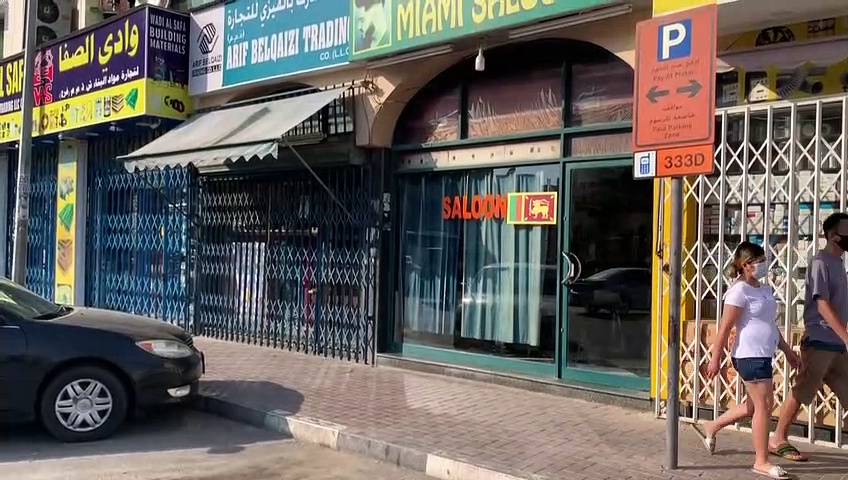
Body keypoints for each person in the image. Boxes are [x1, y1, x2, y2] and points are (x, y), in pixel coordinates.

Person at [702, 241, 801, 480]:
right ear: (746, 264)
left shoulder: (764, 289)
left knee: (754, 406)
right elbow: (724, 328)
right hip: (748, 354)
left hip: (765, 353)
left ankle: (712, 426)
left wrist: (787, 351)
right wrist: (715, 359)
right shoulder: (738, 291)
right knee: (764, 405)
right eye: (759, 261)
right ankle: (761, 461)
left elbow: (770, 324)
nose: (764, 265)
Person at [768, 212, 848, 462]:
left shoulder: (839, 264)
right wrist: (846, 336)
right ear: (834, 236)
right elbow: (822, 304)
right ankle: (778, 437)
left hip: (837, 345)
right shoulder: (820, 262)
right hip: (820, 341)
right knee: (803, 390)